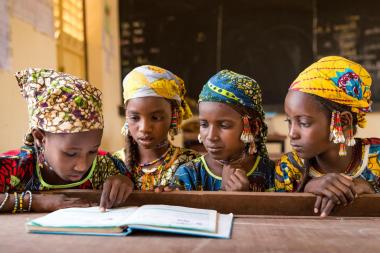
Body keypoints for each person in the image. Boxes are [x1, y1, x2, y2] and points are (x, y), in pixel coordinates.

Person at [0, 68, 133, 213]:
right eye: (71, 153)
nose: (82, 166)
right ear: (40, 137)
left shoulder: (106, 166)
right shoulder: (14, 167)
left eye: (92, 151)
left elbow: (133, 187)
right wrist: (33, 202)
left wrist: (124, 181)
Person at [275, 56, 380, 217]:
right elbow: (276, 217)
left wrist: (371, 189)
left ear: (343, 122)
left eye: (303, 123)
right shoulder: (289, 168)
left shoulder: (377, 156)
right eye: (289, 122)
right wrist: (308, 187)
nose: (292, 133)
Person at [172, 70, 275, 191]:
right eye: (204, 124)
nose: (211, 136)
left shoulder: (273, 174)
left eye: (224, 125)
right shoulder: (189, 174)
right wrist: (224, 193)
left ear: (253, 127)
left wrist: (246, 198)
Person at [114, 65, 198, 191]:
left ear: (174, 116)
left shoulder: (192, 164)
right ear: (126, 116)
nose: (144, 128)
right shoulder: (113, 164)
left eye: (156, 118)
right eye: (135, 118)